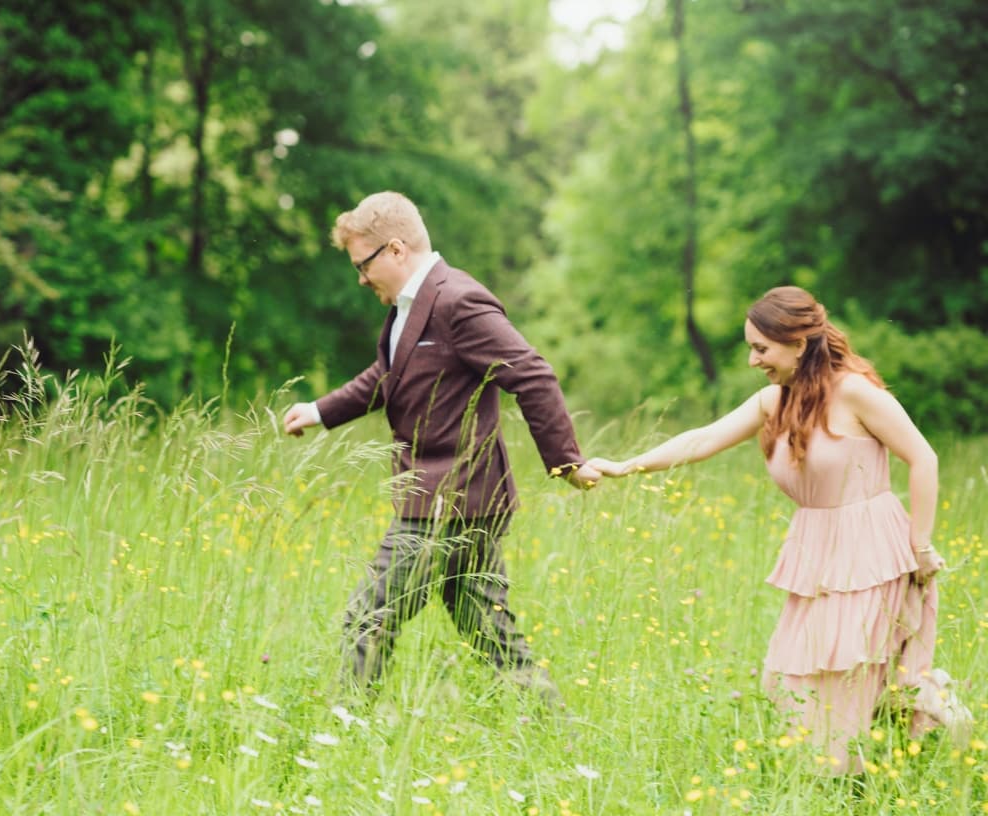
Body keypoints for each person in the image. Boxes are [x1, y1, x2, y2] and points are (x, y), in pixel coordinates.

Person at [586, 285, 971, 773]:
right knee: (789, 678)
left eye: (761, 348)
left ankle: (845, 782)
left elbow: (923, 458)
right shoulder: (775, 402)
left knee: (840, 682)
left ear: (799, 343)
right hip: (815, 553)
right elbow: (703, 439)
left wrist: (921, 546)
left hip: (871, 550)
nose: (753, 360)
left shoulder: (855, 392)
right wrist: (624, 466)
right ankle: (905, 726)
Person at [283, 191, 599, 706]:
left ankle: (343, 736)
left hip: (448, 499)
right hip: (457, 501)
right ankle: (554, 729)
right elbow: (387, 376)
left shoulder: (458, 301)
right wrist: (319, 412)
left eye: (363, 265)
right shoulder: (410, 308)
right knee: (488, 631)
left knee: (369, 617)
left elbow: (533, 374)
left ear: (395, 250)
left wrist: (566, 463)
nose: (361, 279)